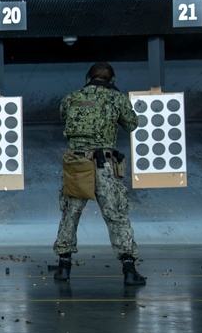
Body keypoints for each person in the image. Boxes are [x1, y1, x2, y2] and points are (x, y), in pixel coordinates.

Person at [53, 62, 146, 286]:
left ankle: (64, 267)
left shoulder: (72, 96)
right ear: (112, 79)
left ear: (88, 77)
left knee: (70, 214)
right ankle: (129, 270)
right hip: (104, 164)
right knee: (116, 215)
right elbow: (132, 124)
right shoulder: (117, 98)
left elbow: (63, 113)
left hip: (76, 163)